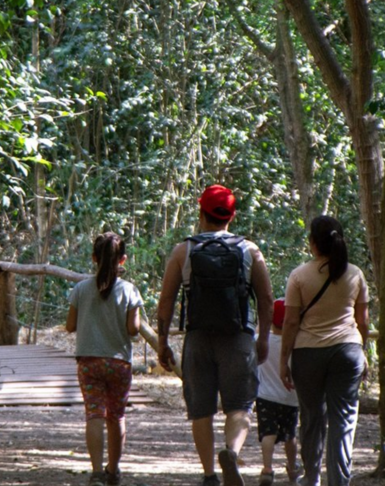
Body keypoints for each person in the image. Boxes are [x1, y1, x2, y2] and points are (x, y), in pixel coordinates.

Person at [157, 184, 275, 486]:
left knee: (201, 410)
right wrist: (262, 338)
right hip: (238, 338)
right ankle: (231, 454)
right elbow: (265, 297)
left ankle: (209, 475)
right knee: (240, 406)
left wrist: (162, 342)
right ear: (231, 216)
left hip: (197, 338)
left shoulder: (183, 250)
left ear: (201, 213)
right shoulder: (249, 250)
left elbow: (167, 301)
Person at [279, 216, 370, 486]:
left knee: (311, 419)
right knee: (343, 420)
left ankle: (312, 479)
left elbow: (291, 322)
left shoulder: (299, 276)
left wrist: (284, 360)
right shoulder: (355, 274)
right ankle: (339, 481)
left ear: (313, 244)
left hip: (308, 354)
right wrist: (362, 351)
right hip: (347, 351)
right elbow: (363, 320)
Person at [66, 232, 143, 486]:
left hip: (88, 361)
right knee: (117, 416)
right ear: (123, 260)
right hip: (119, 361)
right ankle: (114, 470)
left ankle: (97, 471)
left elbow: (69, 325)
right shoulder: (130, 290)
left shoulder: (80, 289)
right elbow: (133, 330)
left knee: (94, 414)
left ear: (93, 258)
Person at [255, 298, 300, 486]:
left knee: (268, 434)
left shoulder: (262, 342)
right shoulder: (296, 346)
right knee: (290, 435)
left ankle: (267, 469)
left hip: (265, 396)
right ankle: (292, 469)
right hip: (290, 398)